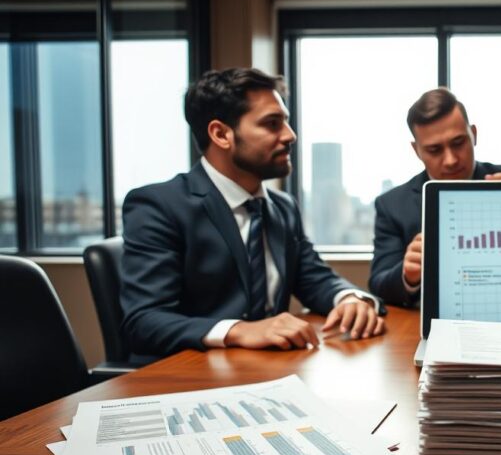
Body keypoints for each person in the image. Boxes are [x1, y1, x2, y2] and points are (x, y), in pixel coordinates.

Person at [121, 68, 385, 358]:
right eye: (272, 124)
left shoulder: (282, 206)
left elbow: (314, 278)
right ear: (221, 134)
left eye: (286, 121)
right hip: (189, 380)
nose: (290, 135)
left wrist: (349, 298)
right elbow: (143, 322)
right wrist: (239, 330)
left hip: (271, 374)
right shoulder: (160, 205)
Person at [370, 88, 501, 307]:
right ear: (417, 151)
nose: (451, 160)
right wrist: (408, 274)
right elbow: (379, 284)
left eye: (458, 143)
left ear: (474, 134)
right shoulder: (392, 205)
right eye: (435, 150)